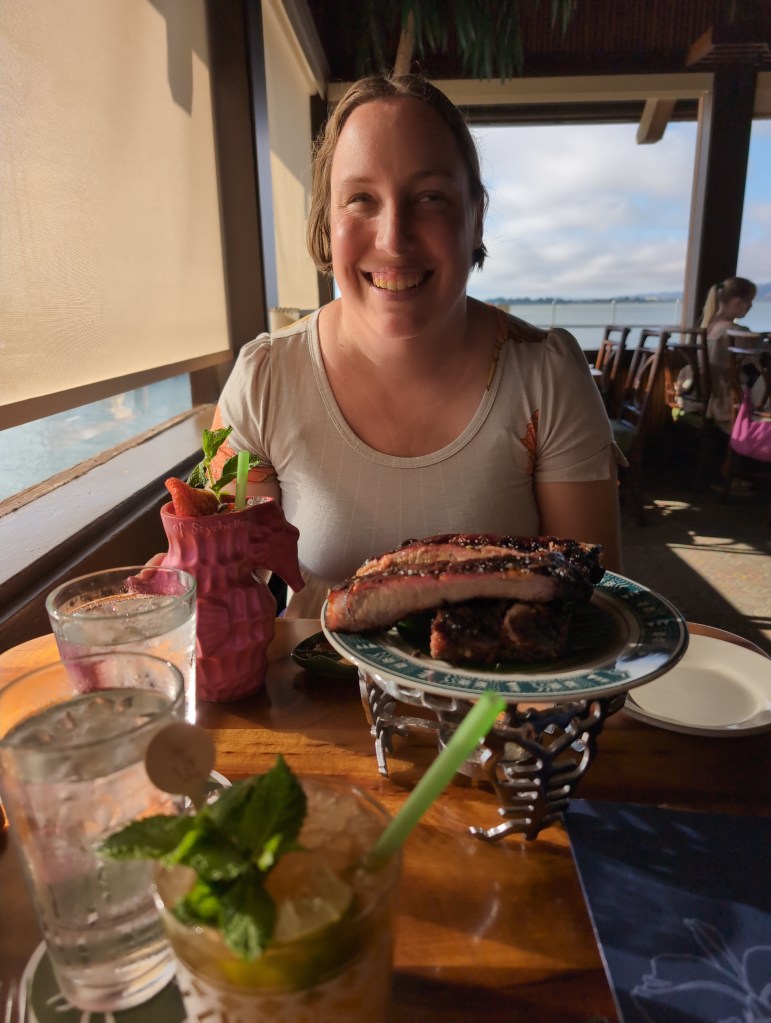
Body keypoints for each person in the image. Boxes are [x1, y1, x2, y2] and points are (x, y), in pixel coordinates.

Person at [213, 73, 623, 617]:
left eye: (430, 197)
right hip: (316, 696)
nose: (393, 239)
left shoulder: (548, 375)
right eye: (361, 199)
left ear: (476, 217)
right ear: (326, 223)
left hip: (501, 699)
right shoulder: (261, 378)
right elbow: (221, 570)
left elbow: (597, 602)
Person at [698, 276, 757, 433]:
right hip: (728, 399)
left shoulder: (708, 328)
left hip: (702, 396)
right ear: (738, 302)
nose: (751, 306)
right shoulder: (736, 332)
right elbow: (758, 365)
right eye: (750, 301)